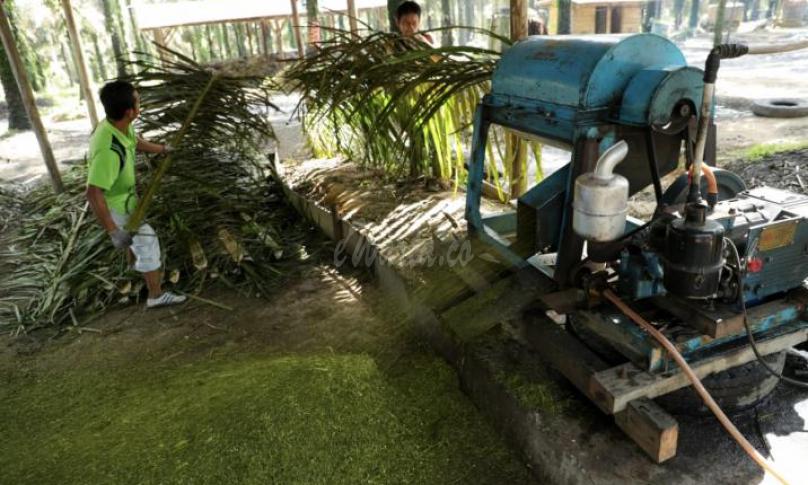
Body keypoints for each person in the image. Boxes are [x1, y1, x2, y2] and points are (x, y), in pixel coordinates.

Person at [85, 80, 186, 309]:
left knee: (136, 243)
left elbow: (134, 142)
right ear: (130, 111)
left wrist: (162, 149)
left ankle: (134, 269)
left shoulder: (117, 124)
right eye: (138, 100)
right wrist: (113, 230)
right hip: (115, 206)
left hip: (125, 198)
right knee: (148, 241)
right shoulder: (108, 150)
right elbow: (93, 193)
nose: (140, 103)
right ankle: (155, 295)